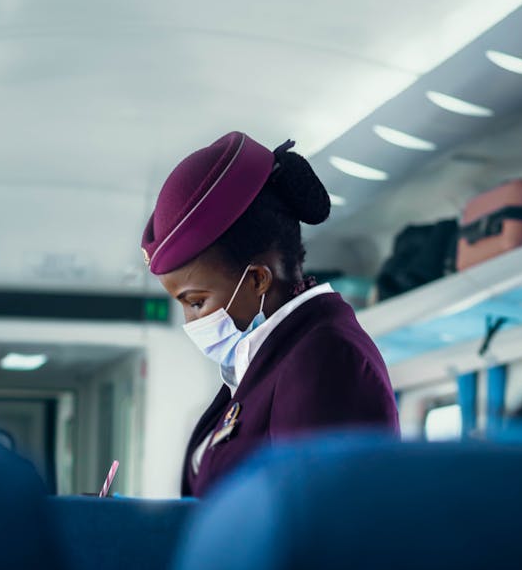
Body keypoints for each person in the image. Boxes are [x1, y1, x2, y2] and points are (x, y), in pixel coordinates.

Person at [141, 131, 399, 497]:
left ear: (258, 279)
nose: (190, 322)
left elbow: (322, 530)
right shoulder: (267, 361)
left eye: (196, 302)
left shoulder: (323, 359)